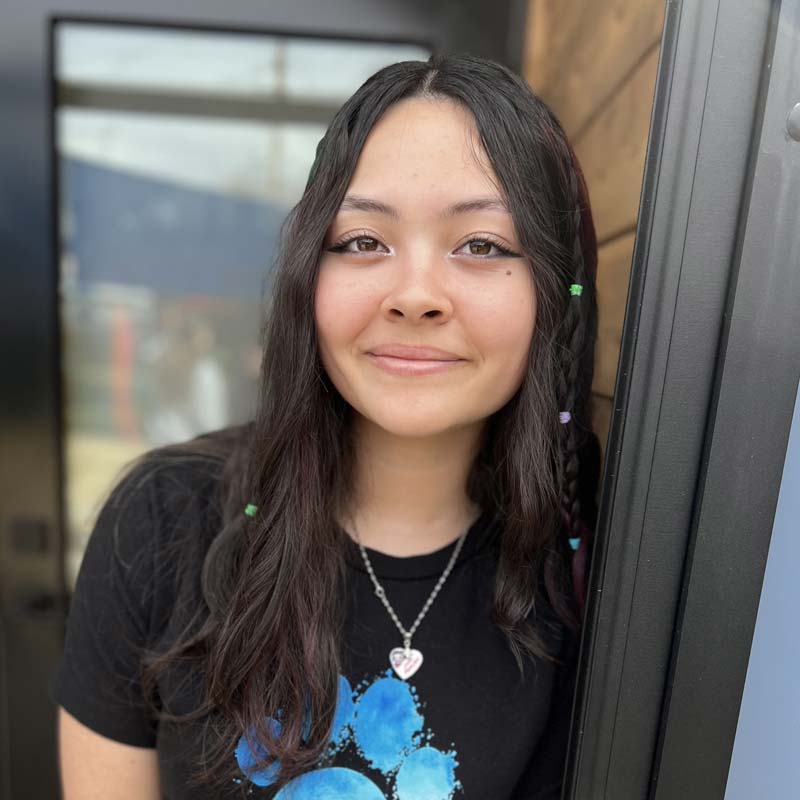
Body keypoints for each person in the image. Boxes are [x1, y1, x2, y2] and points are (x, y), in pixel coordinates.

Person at [50, 51, 601, 800]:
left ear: (553, 292)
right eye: (364, 241)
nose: (415, 295)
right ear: (312, 270)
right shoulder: (162, 519)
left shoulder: (596, 557)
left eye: (482, 245)